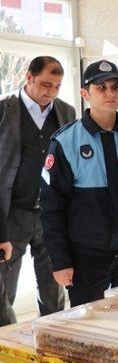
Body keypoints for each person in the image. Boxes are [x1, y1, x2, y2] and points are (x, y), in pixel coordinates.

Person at [40, 60, 118, 306]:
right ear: (85, 94)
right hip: (86, 256)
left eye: (115, 87)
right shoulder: (65, 141)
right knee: (89, 328)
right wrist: (61, 261)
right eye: (101, 88)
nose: (110, 93)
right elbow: (52, 207)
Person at [0, 56, 73, 325]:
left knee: (53, 291)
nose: (50, 92)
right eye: (45, 84)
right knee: (3, 292)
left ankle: (51, 351)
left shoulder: (66, 113)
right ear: (28, 77)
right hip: (11, 216)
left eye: (56, 86)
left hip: (51, 216)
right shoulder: (4, 110)